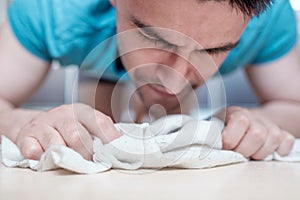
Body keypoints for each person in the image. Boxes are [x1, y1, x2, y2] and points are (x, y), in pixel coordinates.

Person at [0, 0, 299, 161]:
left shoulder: (269, 16)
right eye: (153, 38)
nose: (175, 80)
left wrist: (261, 122)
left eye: (212, 50)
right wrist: (21, 123)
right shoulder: (52, 9)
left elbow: (293, 105)